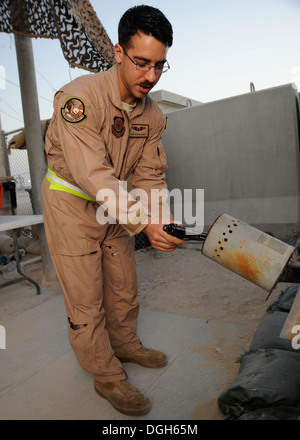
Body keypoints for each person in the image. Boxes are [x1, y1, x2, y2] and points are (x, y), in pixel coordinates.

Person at [42, 5, 185, 416]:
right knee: (86, 296)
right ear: (119, 53)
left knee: (122, 283)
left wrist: (159, 219)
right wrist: (142, 222)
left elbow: (151, 174)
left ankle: (125, 346)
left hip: (114, 207)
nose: (151, 77)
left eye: (160, 66)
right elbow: (94, 176)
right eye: (141, 63)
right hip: (72, 201)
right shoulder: (79, 99)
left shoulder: (153, 115)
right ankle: (106, 374)